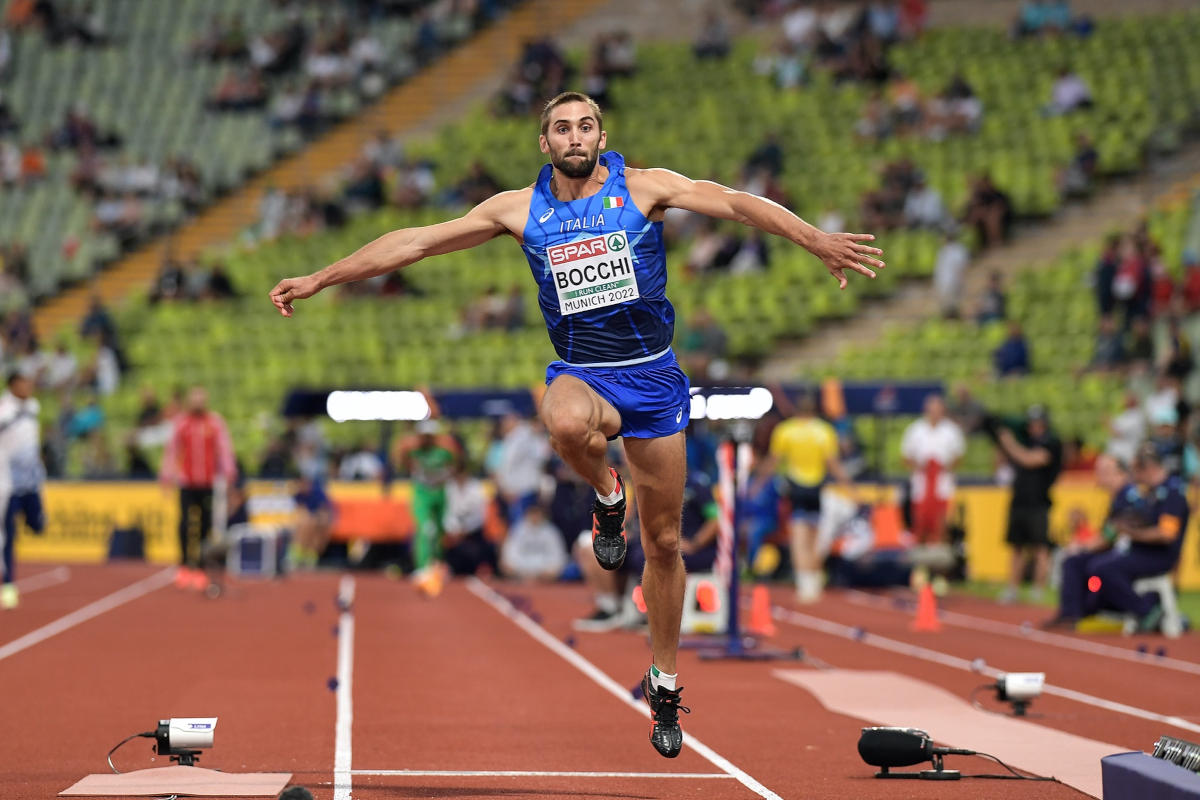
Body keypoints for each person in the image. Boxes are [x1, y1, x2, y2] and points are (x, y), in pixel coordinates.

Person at [268, 91, 883, 758]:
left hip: (654, 377)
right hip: (583, 372)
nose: (574, 135)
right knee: (560, 422)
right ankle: (606, 494)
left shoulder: (645, 189)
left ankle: (665, 681)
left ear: (601, 134)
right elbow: (416, 241)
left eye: (585, 124)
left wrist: (815, 239)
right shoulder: (518, 210)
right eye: (561, 127)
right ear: (545, 143)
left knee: (669, 542)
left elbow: (734, 202)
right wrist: (322, 276)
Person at [757, 393, 848, 603]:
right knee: (817, 537)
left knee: (799, 537)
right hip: (817, 487)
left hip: (796, 487)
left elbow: (774, 460)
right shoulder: (824, 431)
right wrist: (847, 484)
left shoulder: (786, 430)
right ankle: (813, 579)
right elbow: (832, 463)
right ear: (815, 411)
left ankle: (805, 582)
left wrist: (757, 482)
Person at [159, 386, 236, 591]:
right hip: (187, 483)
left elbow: (224, 449)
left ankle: (201, 567)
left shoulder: (214, 423)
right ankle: (184, 565)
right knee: (185, 524)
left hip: (208, 483)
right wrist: (166, 477)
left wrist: (229, 474)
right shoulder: (181, 423)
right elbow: (172, 451)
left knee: (205, 526)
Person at [986, 405, 1062, 604]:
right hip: (1019, 500)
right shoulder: (1026, 440)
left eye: (1038, 423)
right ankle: (1013, 588)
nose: (1034, 427)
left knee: (1040, 547)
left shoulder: (1052, 442)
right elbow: (1000, 463)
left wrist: (1008, 442)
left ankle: (1038, 589)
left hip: (1038, 502)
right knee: (1016, 546)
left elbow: (1029, 459)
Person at [392, 419, 460, 596]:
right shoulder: (413, 451)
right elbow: (399, 461)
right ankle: (422, 568)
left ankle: (436, 566)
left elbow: (456, 464)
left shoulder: (444, 452)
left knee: (438, 531)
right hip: (422, 494)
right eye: (423, 436)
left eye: (428, 436)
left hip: (439, 493)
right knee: (425, 528)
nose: (425, 440)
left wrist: (443, 476)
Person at [0, 371, 44, 609]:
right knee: (8, 534)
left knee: (38, 526)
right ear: (12, 385)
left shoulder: (34, 406)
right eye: (23, 383)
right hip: (7, 483)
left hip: (31, 481)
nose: (28, 386)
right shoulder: (4, 410)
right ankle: (8, 585)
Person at [900, 394, 965, 544]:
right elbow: (905, 458)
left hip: (942, 484)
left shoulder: (952, 431)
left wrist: (944, 466)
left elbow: (958, 458)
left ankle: (938, 556)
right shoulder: (915, 430)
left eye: (938, 409)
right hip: (921, 485)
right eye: (932, 409)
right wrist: (920, 466)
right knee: (920, 523)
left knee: (941, 523)